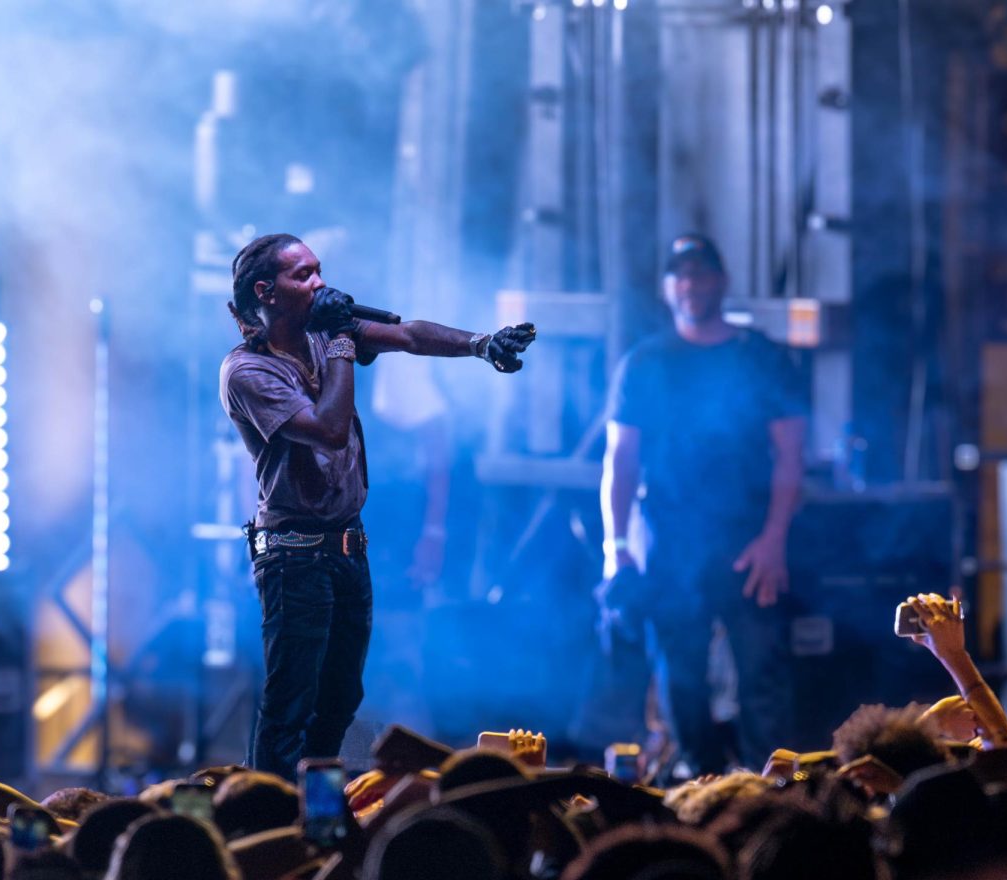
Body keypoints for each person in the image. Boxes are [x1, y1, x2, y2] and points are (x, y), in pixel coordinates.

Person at [221, 233, 536, 780]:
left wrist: (481, 344)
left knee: (341, 698)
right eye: (304, 276)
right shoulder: (249, 371)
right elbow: (329, 428)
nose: (319, 282)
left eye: (319, 270)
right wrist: (343, 340)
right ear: (267, 292)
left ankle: (315, 811)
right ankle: (267, 817)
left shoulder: (322, 335)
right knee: (289, 704)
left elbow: (409, 335)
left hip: (346, 548)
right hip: (293, 558)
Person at [600, 233, 806, 772]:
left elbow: (791, 454)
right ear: (669, 287)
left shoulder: (760, 357)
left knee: (762, 677)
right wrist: (616, 545)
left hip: (747, 543)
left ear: (722, 281)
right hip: (669, 544)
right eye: (680, 275)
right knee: (679, 679)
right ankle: (698, 789)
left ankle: (772, 795)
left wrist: (774, 540)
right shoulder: (645, 362)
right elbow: (620, 461)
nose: (690, 284)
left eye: (701, 273)